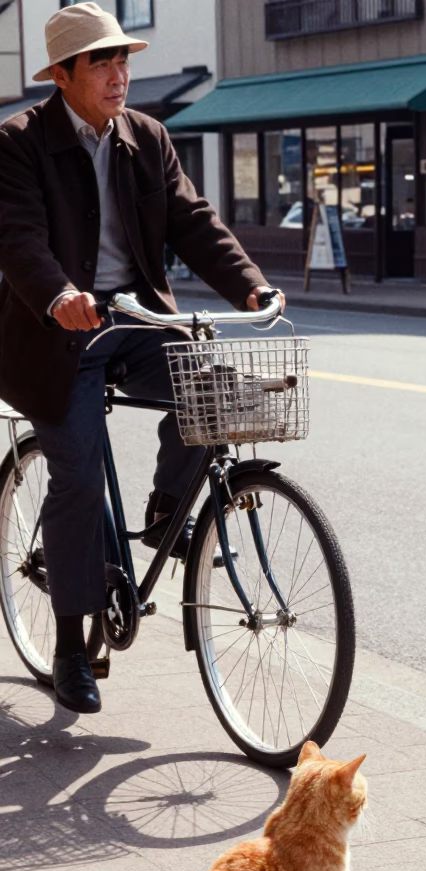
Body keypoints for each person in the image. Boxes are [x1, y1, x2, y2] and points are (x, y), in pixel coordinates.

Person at [0, 2, 273, 715]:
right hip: (55, 337)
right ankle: (67, 644)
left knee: (211, 385)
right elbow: (19, 238)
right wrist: (59, 294)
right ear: (62, 74)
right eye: (103, 62)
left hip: (139, 318)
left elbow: (192, 220)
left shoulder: (146, 137)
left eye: (124, 60)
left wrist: (250, 285)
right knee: (78, 477)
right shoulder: (19, 142)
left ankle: (161, 515)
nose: (120, 74)